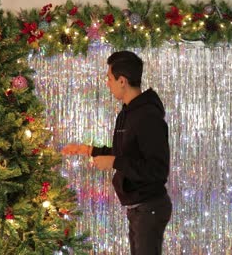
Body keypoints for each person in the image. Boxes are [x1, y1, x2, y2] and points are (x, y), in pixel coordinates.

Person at [61, 51, 172, 255]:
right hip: (139, 208)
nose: (107, 83)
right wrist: (89, 150)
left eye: (109, 78)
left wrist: (113, 161)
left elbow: (157, 169)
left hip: (150, 207)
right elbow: (126, 153)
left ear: (122, 81)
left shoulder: (147, 116)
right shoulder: (128, 112)